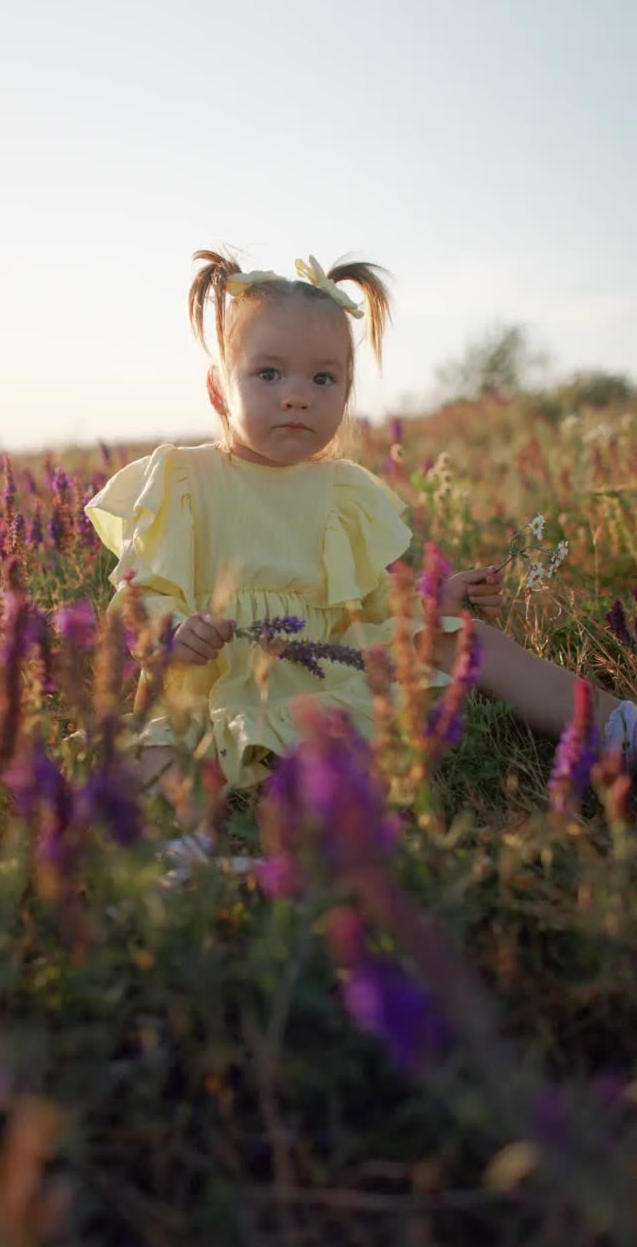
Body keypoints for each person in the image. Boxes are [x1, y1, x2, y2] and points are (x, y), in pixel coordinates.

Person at [85, 249, 635, 855]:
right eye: (268, 374)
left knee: (462, 640)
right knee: (156, 743)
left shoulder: (344, 492)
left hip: (330, 666)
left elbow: (376, 606)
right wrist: (173, 630)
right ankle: (186, 848)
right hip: (216, 679)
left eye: (323, 379)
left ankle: (614, 726)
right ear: (219, 388)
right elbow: (140, 598)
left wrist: (437, 605)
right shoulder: (182, 481)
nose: (297, 396)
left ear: (347, 394)